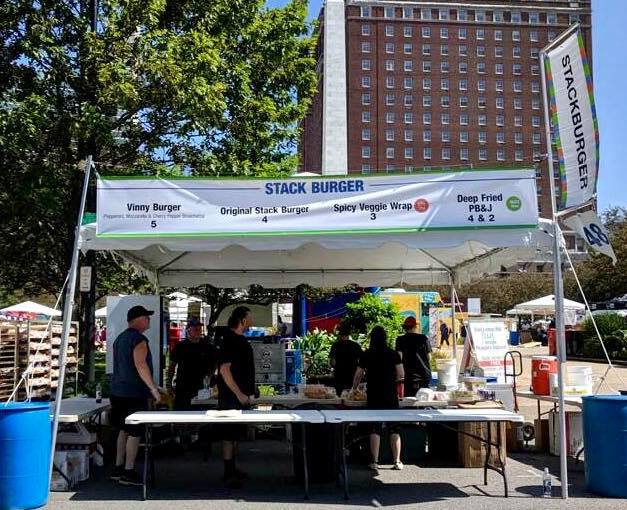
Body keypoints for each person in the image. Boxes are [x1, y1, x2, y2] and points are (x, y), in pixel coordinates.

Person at [109, 305, 162, 486]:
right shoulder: (139, 339)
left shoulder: (119, 338)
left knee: (123, 430)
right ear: (138, 319)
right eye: (146, 317)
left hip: (117, 391)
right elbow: (141, 365)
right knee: (134, 432)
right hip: (134, 392)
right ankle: (128, 471)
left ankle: (118, 467)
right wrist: (153, 389)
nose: (149, 320)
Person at [352, 326, 404, 471]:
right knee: (394, 427)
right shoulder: (394, 354)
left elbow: (358, 374)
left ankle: (374, 461)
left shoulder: (367, 354)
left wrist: (354, 388)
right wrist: (392, 380)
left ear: (372, 339)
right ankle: (397, 461)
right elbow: (401, 374)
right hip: (391, 394)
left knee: (374, 427)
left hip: (374, 394)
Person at [217, 306, 255, 489]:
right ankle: (227, 472)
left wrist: (251, 388)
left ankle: (233, 468)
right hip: (231, 396)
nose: (252, 321)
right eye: (250, 317)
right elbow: (224, 370)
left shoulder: (240, 340)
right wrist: (239, 394)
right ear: (243, 320)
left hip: (241, 395)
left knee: (236, 434)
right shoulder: (230, 340)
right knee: (228, 433)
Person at [167, 319, 218, 410]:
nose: (198, 331)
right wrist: (169, 385)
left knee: (203, 412)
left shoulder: (208, 346)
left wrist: (210, 376)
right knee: (182, 412)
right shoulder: (180, 346)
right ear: (188, 330)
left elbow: (215, 363)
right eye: (195, 329)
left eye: (200, 329)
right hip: (183, 386)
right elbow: (172, 366)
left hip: (202, 387)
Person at [395, 317, 431, 398]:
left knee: (409, 401)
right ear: (415, 327)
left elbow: (399, 358)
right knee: (424, 401)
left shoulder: (400, 340)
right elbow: (429, 357)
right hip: (424, 375)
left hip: (409, 376)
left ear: (405, 328)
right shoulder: (423, 338)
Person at [329, 322, 363, 396]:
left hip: (339, 376)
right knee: (352, 397)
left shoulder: (335, 346)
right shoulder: (356, 346)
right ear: (348, 335)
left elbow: (333, 362)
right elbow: (362, 362)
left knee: (339, 396)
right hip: (352, 376)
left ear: (340, 335)